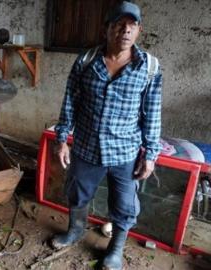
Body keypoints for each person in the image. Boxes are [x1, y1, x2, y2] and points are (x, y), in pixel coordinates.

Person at [52, 1, 162, 270]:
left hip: (125, 152)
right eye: (119, 25)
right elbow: (70, 102)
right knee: (77, 193)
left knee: (125, 204)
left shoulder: (148, 67)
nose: (125, 30)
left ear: (138, 31)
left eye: (131, 26)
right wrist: (62, 138)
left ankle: (115, 250)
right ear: (107, 30)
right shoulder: (86, 61)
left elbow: (153, 113)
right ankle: (76, 229)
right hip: (86, 148)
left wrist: (151, 155)